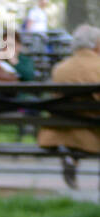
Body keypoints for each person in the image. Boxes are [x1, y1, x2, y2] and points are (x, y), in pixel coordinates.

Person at [37, 23, 100, 187]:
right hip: (92, 129)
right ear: (95, 44)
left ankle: (71, 159)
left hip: (61, 131)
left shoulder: (60, 68)